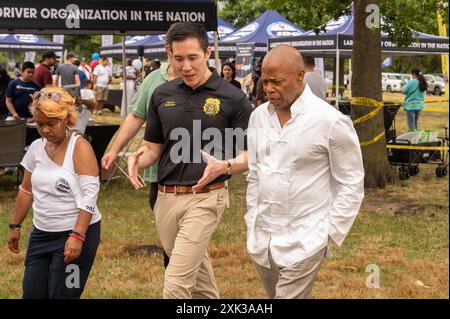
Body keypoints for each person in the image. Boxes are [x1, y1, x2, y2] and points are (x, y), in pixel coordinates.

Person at [128, 22, 252, 299]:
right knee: (200, 285)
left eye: (193, 58)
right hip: (164, 198)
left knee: (176, 284)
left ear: (207, 53)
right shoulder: (161, 94)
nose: (186, 66)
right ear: (169, 55)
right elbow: (153, 148)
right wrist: (138, 157)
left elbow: (251, 154)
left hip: (206, 198)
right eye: (179, 58)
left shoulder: (234, 98)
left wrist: (226, 166)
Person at [246, 45, 365, 299]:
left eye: (276, 82)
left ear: (300, 76)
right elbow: (255, 173)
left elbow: (351, 182)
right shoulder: (257, 118)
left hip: (306, 238)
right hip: (262, 241)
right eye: (265, 81)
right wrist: (251, 217)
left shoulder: (331, 121)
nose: (267, 88)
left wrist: (329, 233)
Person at [7, 87, 102, 299]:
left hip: (77, 234)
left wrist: (78, 235)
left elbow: (90, 194)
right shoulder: (35, 148)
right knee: (32, 293)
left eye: (51, 123)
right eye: (40, 124)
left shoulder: (80, 147)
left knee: (64, 294)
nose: (45, 130)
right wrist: (15, 225)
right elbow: (26, 190)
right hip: (41, 234)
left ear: (66, 119)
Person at [102, 49, 178, 269]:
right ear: (169, 51)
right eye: (178, 55)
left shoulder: (204, 80)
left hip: (197, 175)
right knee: (170, 241)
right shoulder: (155, 79)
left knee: (189, 244)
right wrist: (115, 150)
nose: (184, 62)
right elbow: (136, 115)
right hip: (161, 176)